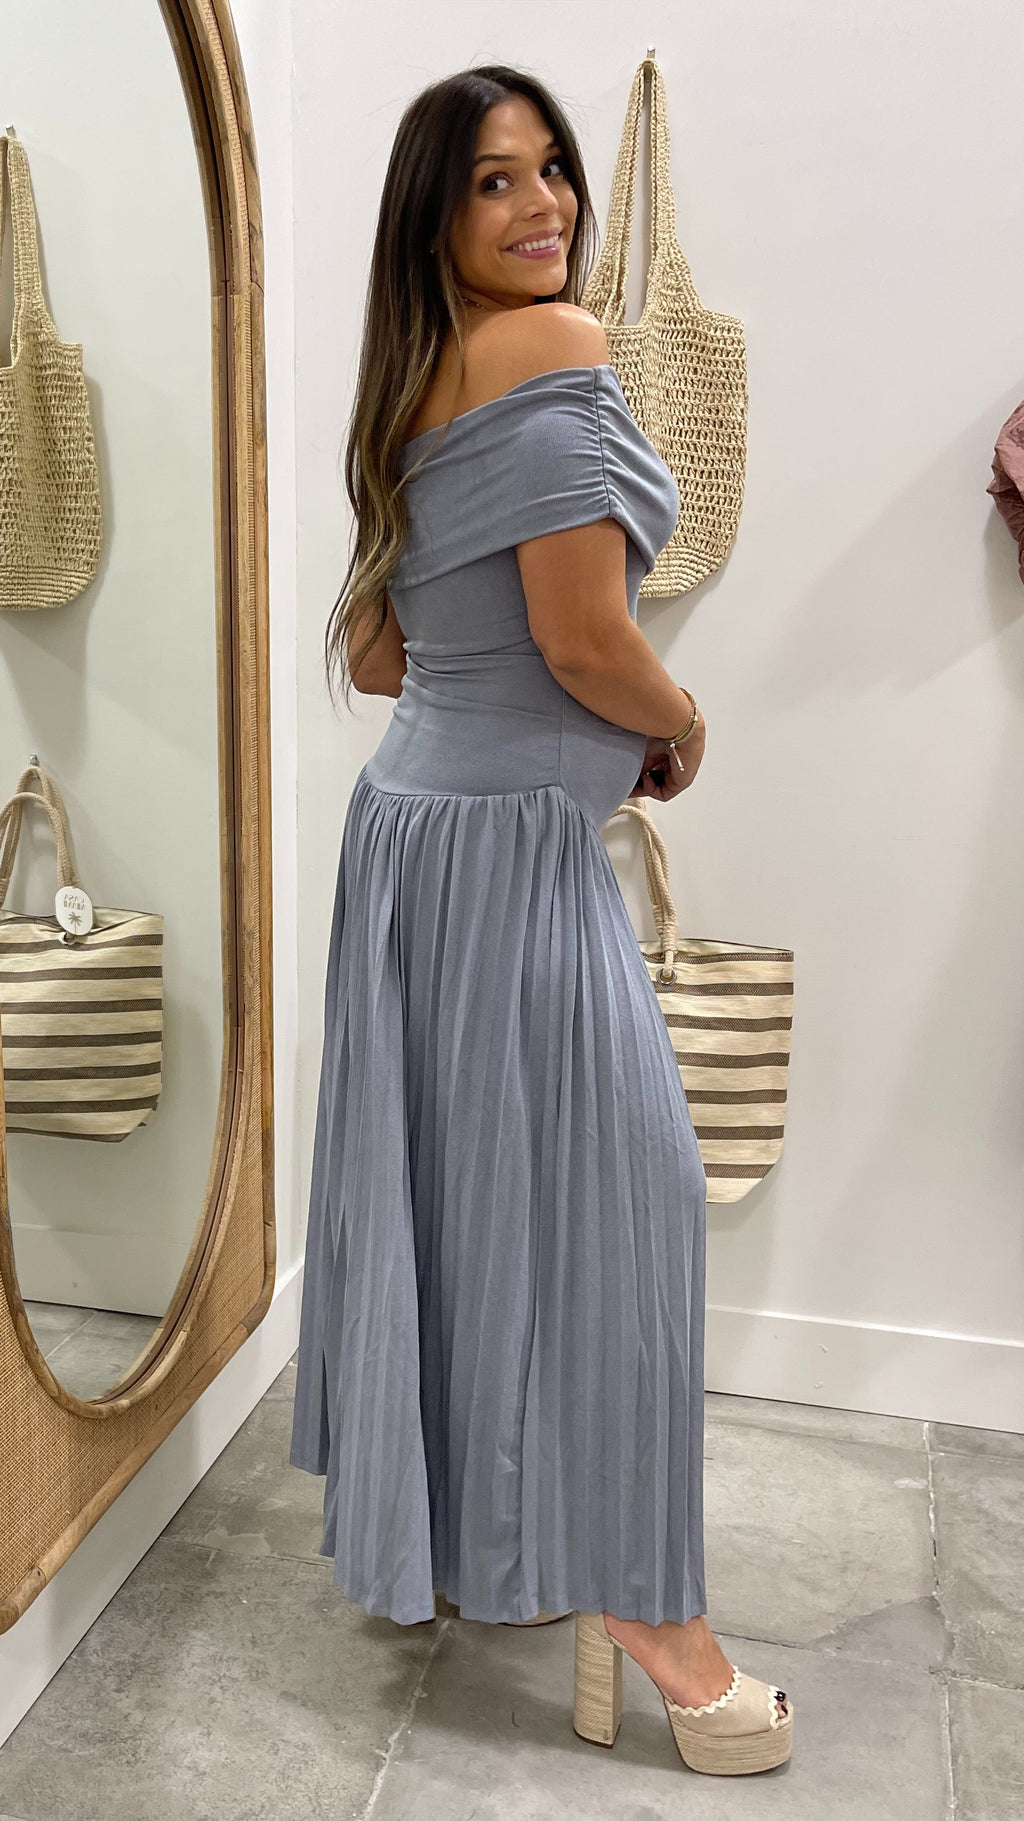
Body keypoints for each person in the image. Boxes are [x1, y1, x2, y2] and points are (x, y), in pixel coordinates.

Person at [289, 62, 793, 1778]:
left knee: (471, 1197)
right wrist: (677, 718)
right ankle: (651, 1614)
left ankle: (467, 1533)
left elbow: (383, 653)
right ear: (434, 214)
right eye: (495, 180)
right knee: (627, 1209)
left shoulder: (413, 375)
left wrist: (545, 716)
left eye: (552, 168)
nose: (545, 204)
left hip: (417, 837)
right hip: (504, 853)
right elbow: (585, 638)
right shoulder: (558, 347)